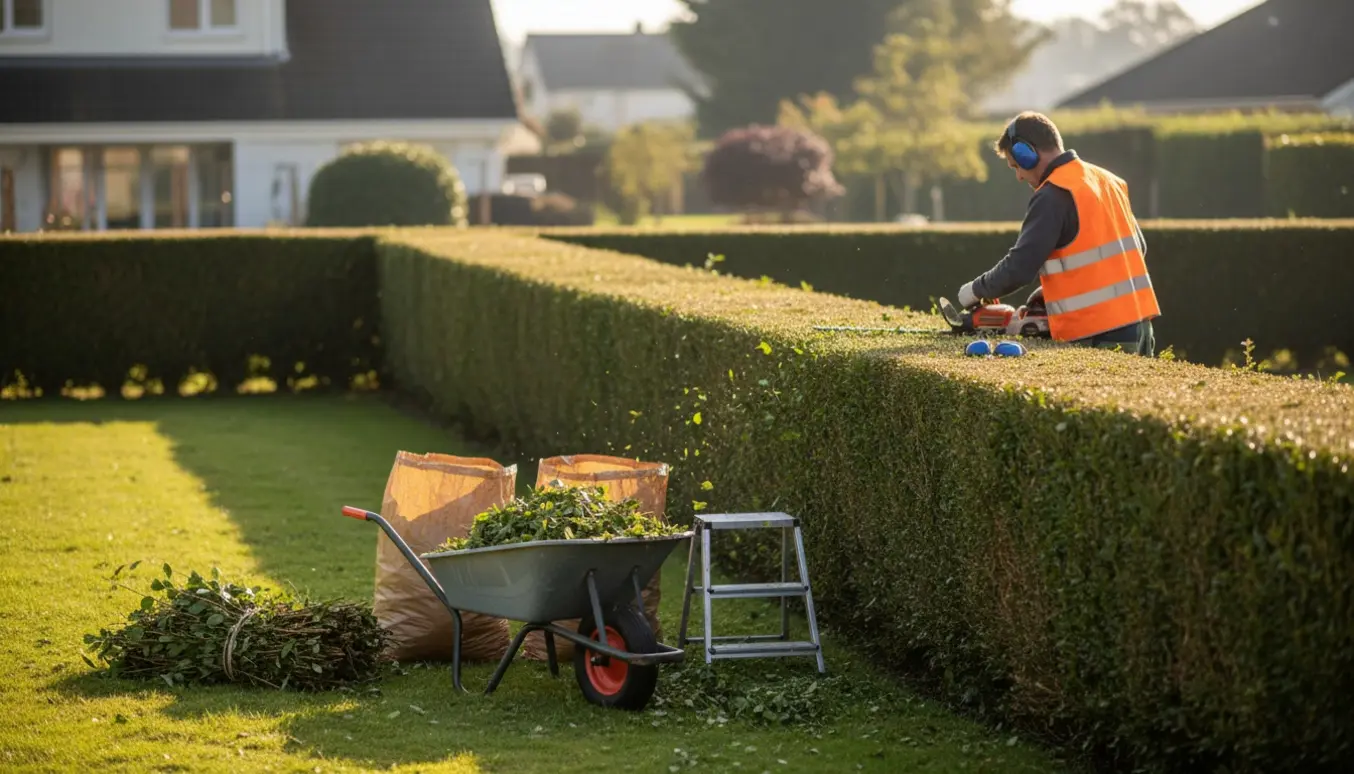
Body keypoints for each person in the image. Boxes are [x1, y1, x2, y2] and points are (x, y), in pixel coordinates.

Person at [956, 111, 1160, 356]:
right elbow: (1137, 248)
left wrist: (976, 290)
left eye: (1015, 165)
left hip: (1097, 333)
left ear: (1027, 154)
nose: (1019, 176)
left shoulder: (1053, 194)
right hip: (1141, 327)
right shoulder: (1108, 181)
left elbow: (1020, 267)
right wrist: (1061, 286)